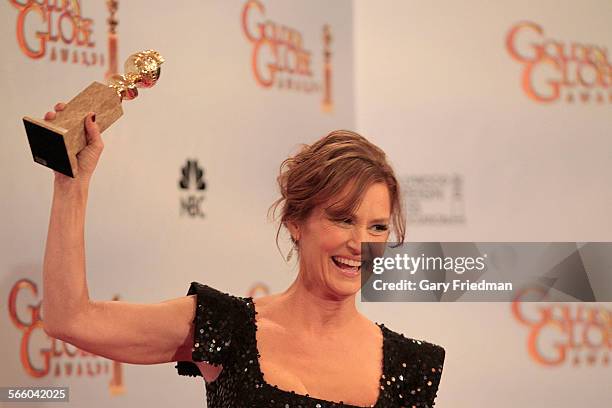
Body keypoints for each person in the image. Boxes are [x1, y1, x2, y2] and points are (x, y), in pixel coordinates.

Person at [42, 103, 445, 407]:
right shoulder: (228, 327)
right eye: (342, 220)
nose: (361, 244)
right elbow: (70, 318)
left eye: (377, 227)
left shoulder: (409, 365)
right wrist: (70, 186)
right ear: (295, 222)